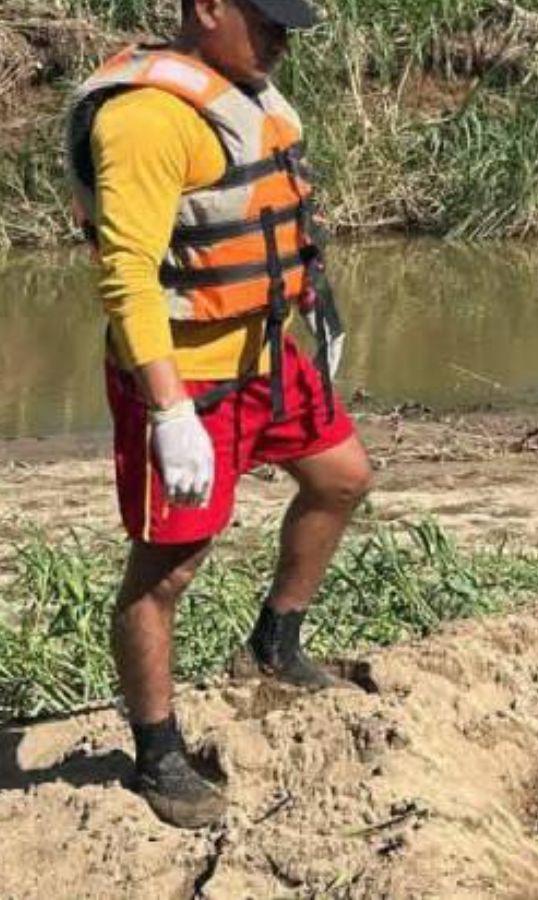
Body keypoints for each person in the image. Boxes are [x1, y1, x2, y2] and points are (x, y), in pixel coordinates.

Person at [65, 0, 372, 829]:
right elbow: (126, 275)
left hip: (266, 356)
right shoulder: (146, 121)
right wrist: (168, 411)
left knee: (342, 478)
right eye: (267, 21)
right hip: (187, 376)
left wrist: (316, 316)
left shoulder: (246, 95)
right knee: (165, 572)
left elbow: (274, 220)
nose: (281, 40)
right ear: (207, 7)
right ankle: (157, 753)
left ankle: (272, 645)